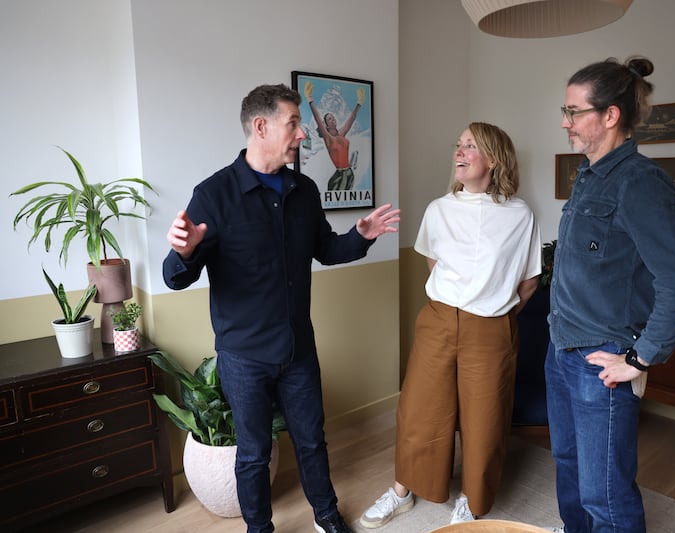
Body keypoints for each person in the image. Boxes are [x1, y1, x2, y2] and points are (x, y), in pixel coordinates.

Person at [163, 83, 400, 533]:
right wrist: (185, 252)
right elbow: (175, 276)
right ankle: (259, 528)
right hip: (244, 357)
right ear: (261, 126)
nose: (302, 135)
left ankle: (327, 516)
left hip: (298, 350)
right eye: (294, 124)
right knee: (253, 453)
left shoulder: (305, 190)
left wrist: (361, 236)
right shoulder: (214, 194)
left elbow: (326, 250)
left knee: (312, 441)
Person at [545, 57, 675, 533]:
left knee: (606, 494)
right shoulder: (589, 174)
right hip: (562, 349)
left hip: (603, 361)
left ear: (610, 115)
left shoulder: (640, 183)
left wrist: (639, 360)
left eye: (574, 111)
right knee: (570, 467)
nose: (565, 121)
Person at [359, 122, 542, 529]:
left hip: (491, 326)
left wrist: (495, 312)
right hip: (439, 320)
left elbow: (529, 280)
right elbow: (434, 264)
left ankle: (471, 502)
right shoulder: (439, 209)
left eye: (470, 146)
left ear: (494, 159)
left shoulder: (520, 215)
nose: (459, 152)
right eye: (457, 144)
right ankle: (403, 489)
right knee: (419, 410)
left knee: (485, 419)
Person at [303, 80, 363, 191]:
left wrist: (359, 103)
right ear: (325, 124)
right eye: (329, 119)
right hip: (340, 175)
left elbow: (352, 118)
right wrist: (309, 98)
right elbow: (317, 117)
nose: (333, 119)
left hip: (349, 173)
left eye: (333, 117)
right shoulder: (328, 138)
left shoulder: (341, 134)